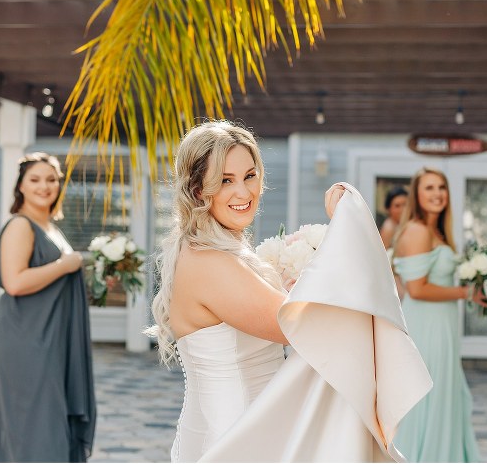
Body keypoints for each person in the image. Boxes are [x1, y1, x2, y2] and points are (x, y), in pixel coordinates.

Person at [148, 120, 432, 462]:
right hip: (233, 440)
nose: (244, 192)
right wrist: (346, 227)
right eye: (225, 181)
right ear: (197, 190)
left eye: (250, 176)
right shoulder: (207, 261)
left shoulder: (215, 252)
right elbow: (297, 326)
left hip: (260, 430)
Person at [0, 152, 96, 463]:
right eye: (34, 179)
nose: (44, 186)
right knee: (34, 430)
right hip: (25, 342)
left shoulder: (49, 227)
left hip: (50, 340)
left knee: (48, 426)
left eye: (51, 180)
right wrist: (66, 265)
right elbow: (15, 282)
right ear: (20, 185)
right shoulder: (21, 226)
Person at [391, 167, 485, 462]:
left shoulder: (437, 232)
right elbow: (417, 289)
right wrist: (465, 292)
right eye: (429, 188)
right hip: (426, 327)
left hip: (443, 325)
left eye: (441, 187)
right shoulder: (417, 231)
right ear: (417, 195)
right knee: (428, 399)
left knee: (445, 395)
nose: (437, 194)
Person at [379, 186, 408, 299]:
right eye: (397, 206)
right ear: (388, 209)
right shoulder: (389, 227)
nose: (402, 209)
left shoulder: (403, 226)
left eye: (405, 204)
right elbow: (384, 259)